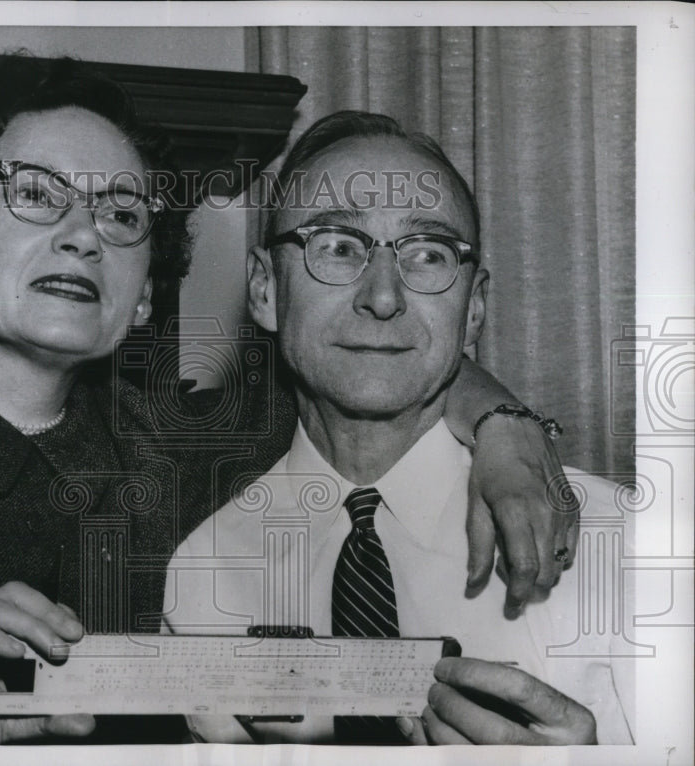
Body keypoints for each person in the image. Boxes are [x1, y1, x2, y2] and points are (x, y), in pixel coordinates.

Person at [0, 57, 576, 746]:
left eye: (121, 212)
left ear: (140, 298)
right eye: (34, 193)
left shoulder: (180, 451)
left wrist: (504, 423)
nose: (82, 232)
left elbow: (368, 352)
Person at [162, 111, 632, 745]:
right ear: (265, 289)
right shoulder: (201, 570)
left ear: (475, 310)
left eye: (429, 254)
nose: (382, 296)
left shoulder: (618, 545)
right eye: (335, 246)